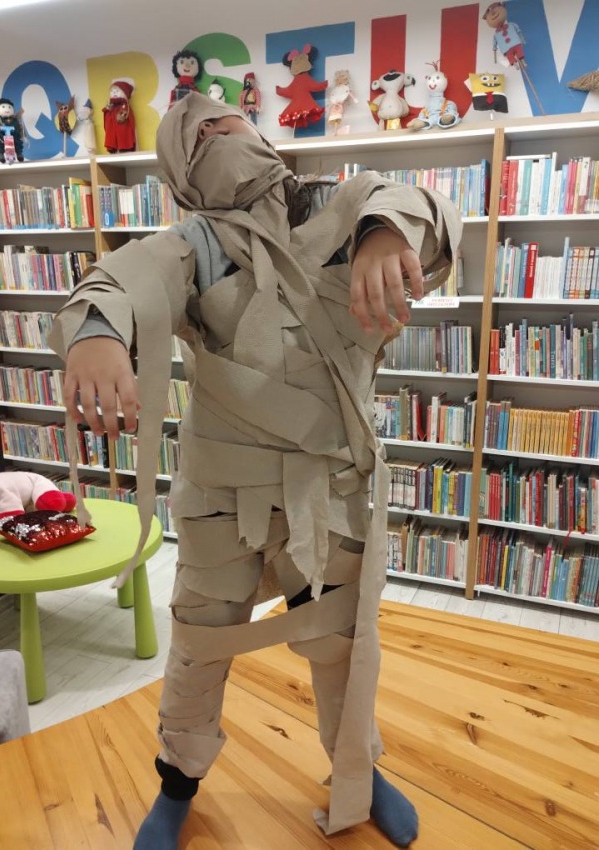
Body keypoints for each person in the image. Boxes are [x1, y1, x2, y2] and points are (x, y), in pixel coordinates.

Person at [49, 92, 462, 849]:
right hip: (221, 498)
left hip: (328, 491)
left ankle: (357, 769)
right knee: (199, 645)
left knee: (342, 644)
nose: (213, 133)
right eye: (194, 139)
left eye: (223, 122)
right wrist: (96, 333)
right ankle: (178, 784)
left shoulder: (345, 210)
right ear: (183, 181)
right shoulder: (194, 246)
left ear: (260, 133)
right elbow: (122, 278)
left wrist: (385, 234)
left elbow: (418, 206)